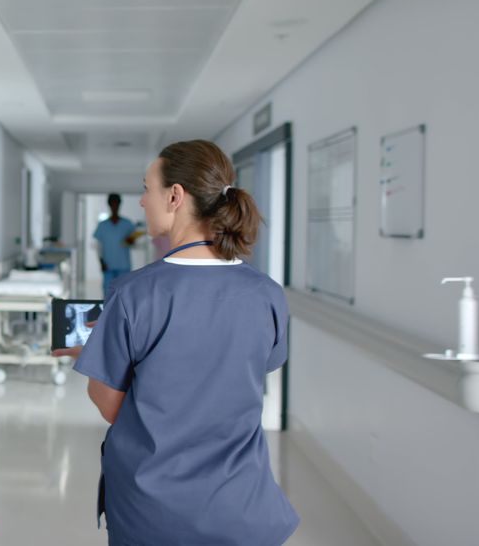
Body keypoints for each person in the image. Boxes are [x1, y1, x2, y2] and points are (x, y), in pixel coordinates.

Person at [59, 140, 299, 545]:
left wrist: (100, 356)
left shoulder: (134, 294)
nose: (141, 202)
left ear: (175, 196)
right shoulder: (267, 294)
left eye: (146, 189)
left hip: (155, 512)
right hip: (240, 508)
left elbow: (111, 405)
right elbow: (247, 372)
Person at [92, 194, 138, 295]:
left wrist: (131, 241)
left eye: (116, 204)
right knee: (108, 293)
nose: (114, 207)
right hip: (108, 265)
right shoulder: (103, 225)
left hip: (123, 265)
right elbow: (98, 246)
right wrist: (101, 261)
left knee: (124, 293)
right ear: (109, 205)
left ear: (119, 205)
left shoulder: (127, 224)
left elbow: (134, 244)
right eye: (112, 204)